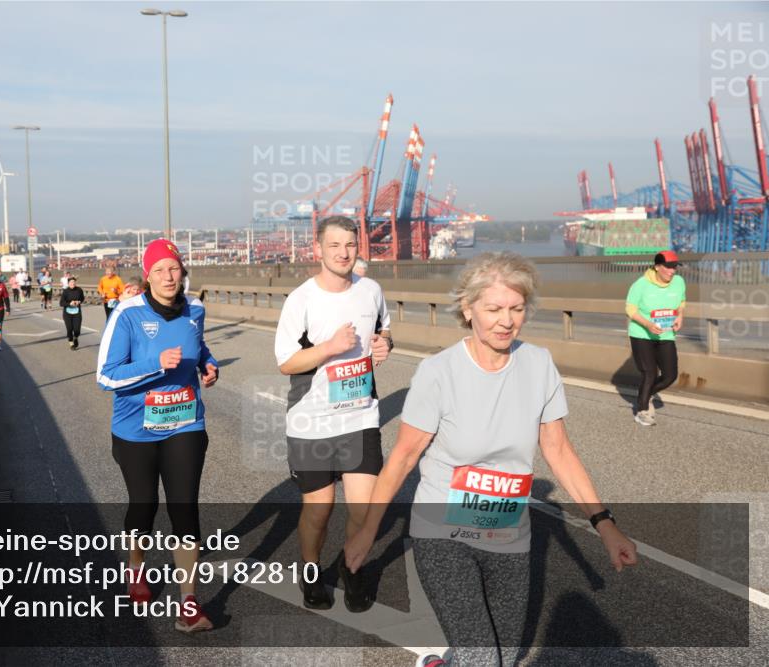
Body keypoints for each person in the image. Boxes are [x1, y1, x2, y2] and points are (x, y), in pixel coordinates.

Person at [344, 251, 638, 667]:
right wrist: (367, 530)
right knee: (483, 659)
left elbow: (558, 450)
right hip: (442, 532)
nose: (507, 320)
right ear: (468, 309)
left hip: (507, 533)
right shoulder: (438, 371)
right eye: (494, 309)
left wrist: (605, 524)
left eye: (516, 308)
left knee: (504, 656)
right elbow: (404, 457)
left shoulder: (538, 364)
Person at [96, 238, 219, 634]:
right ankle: (136, 567)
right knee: (144, 506)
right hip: (136, 430)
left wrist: (209, 364)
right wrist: (154, 363)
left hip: (185, 423)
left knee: (185, 508)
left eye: (174, 268)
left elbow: (198, 347)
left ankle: (189, 603)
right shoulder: (127, 313)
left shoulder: (196, 308)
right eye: (160, 270)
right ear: (147, 276)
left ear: (183, 272)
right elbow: (106, 376)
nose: (168, 276)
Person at [274, 215, 392, 613]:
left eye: (350, 245)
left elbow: (384, 330)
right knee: (319, 510)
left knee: (364, 508)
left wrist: (384, 345)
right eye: (334, 245)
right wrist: (329, 347)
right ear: (318, 249)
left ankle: (351, 567)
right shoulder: (301, 299)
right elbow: (286, 362)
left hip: (360, 416)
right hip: (312, 421)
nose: (343, 253)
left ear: (359, 247)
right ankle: (310, 570)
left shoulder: (371, 290)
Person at [625, 250, 685, 426]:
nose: (672, 271)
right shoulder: (641, 284)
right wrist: (647, 324)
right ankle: (642, 411)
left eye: (675, 267)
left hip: (666, 334)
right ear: (657, 267)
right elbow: (630, 309)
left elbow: (681, 302)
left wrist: (680, 316)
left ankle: (647, 393)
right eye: (668, 267)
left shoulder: (679, 282)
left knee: (670, 375)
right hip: (642, 334)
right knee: (650, 373)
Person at [59, 276, 85, 350]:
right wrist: (69, 303)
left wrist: (79, 301)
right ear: (68, 283)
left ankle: (75, 337)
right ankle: (71, 343)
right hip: (67, 314)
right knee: (69, 329)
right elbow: (61, 303)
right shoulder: (65, 291)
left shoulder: (79, 290)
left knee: (77, 330)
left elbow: (82, 298)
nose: (72, 283)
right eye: (71, 282)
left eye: (74, 282)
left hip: (77, 313)